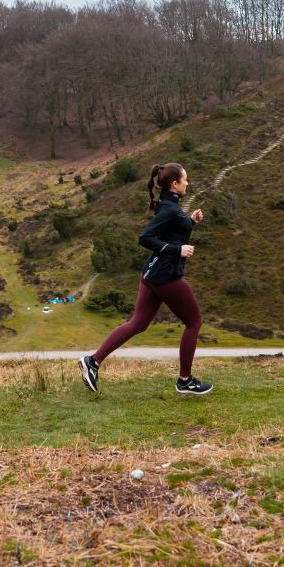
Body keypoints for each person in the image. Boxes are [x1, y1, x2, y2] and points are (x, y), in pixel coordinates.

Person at [80, 162, 212, 395]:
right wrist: (177, 250)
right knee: (194, 322)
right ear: (175, 184)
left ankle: (93, 361)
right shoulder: (170, 208)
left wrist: (190, 221)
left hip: (151, 274)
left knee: (138, 323)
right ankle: (185, 380)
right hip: (166, 276)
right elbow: (146, 238)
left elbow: (170, 230)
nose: (188, 183)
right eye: (185, 180)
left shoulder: (169, 204)